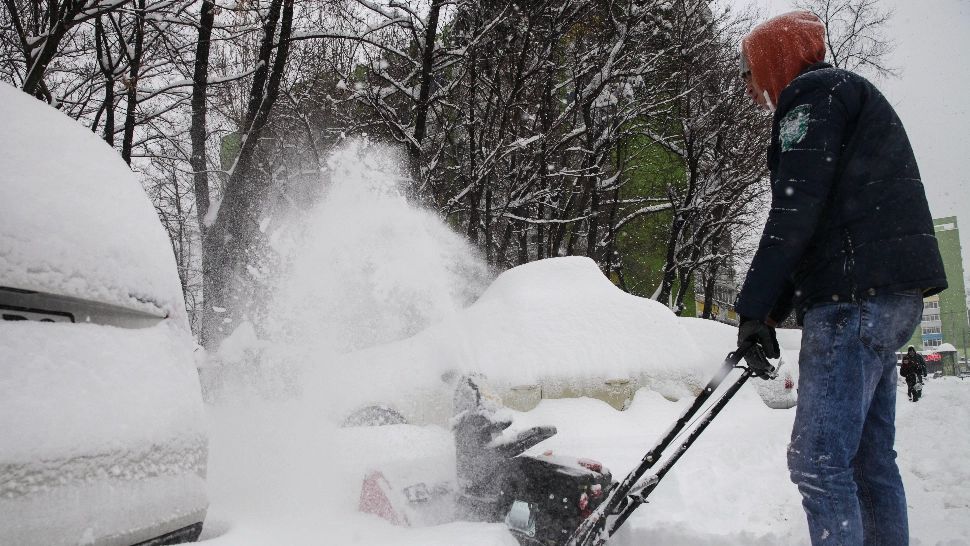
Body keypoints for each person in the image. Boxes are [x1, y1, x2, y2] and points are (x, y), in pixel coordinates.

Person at [733, 11, 948, 546]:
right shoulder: (844, 96)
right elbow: (818, 218)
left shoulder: (811, 98)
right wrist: (770, 312)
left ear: (773, 61)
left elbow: (794, 211)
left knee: (818, 465)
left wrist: (753, 309)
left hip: (853, 303)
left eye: (749, 70)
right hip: (888, 300)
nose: (748, 84)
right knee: (868, 463)